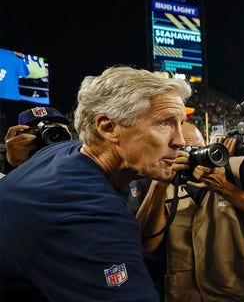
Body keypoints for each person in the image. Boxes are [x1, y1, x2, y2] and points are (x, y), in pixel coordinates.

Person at [0, 65, 192, 301]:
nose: (181, 141)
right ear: (108, 127)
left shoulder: (62, 151)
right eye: (164, 123)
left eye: (180, 123)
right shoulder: (91, 215)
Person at [135, 121, 244, 301]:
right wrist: (160, 183)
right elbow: (146, 243)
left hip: (241, 291)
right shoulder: (152, 181)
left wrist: (226, 188)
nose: (190, 157)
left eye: (196, 149)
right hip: (183, 294)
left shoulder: (235, 168)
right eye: (182, 150)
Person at [1, 106, 72, 175]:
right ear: (19, 137)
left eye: (54, 128)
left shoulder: (80, 155)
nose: (47, 135)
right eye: (37, 131)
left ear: (69, 131)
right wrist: (14, 163)